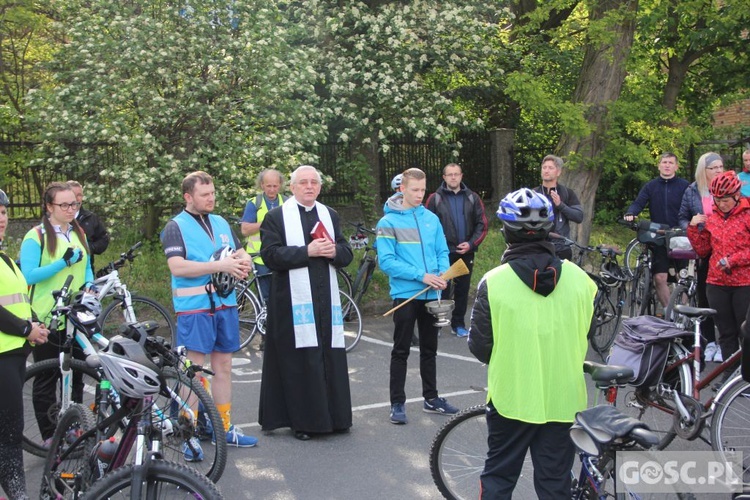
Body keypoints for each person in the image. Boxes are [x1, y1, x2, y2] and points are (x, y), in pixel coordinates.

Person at [468, 188, 596, 499]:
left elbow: (480, 347)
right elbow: (587, 332)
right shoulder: (582, 281)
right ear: (549, 230)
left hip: (512, 398)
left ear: (506, 232)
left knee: (499, 479)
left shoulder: (494, 281)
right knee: (555, 484)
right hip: (564, 400)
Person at [161, 171, 258, 459]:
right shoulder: (174, 226)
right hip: (195, 309)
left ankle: (222, 428)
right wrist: (220, 266)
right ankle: (188, 433)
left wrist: (244, 263)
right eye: (205, 195)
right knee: (193, 371)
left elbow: (241, 253)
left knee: (224, 366)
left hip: (225, 305)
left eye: (213, 192)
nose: (211, 198)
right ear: (188, 197)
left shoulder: (220, 222)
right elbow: (177, 267)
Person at [258, 165, 353, 441]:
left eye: (314, 182)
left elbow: (346, 253)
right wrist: (307, 251)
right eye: (303, 182)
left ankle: (336, 417)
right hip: (291, 302)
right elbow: (270, 256)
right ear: (293, 187)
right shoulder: (276, 217)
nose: (309, 187)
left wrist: (334, 250)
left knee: (328, 356)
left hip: (326, 301)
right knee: (300, 360)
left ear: (320, 188)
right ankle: (304, 422)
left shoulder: (330, 215)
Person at [377, 167, 458, 425]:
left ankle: (431, 398)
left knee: (430, 348)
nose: (419, 195)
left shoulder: (431, 219)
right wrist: (421, 276)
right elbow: (387, 262)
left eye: (423, 190)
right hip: (406, 295)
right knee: (401, 349)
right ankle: (397, 403)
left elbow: (442, 250)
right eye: (414, 190)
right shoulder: (387, 223)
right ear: (402, 189)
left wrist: (443, 275)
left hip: (432, 294)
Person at [19, 181, 94, 447]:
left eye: (74, 203)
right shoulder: (36, 237)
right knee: (48, 376)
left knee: (75, 373)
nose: (71, 209)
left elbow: (86, 267)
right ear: (49, 207)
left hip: (75, 314)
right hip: (47, 315)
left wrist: (89, 288)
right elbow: (27, 274)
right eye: (64, 205)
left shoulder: (78, 233)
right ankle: (49, 435)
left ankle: (73, 425)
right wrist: (62, 263)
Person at [0, 189, 50, 500]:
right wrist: (25, 328)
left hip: (14, 354)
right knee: (9, 435)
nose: (1, 219)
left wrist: (35, 322)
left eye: (4, 213)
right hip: (2, 355)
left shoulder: (5, 258)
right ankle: (18, 495)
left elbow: (19, 298)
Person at [687, 170, 750, 371]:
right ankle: (729, 374)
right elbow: (703, 250)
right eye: (717, 199)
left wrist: (733, 260)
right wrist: (693, 229)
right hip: (716, 282)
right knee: (725, 332)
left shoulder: (748, 215)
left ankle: (745, 377)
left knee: (745, 331)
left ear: (736, 196)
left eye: (725, 200)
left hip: (744, 283)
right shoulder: (712, 217)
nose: (721, 204)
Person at [425, 163, 488, 337]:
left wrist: (471, 244)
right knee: (441, 287)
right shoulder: (434, 198)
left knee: (462, 289)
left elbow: (482, 225)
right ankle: (436, 324)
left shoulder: (472, 198)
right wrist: (437, 248)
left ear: (461, 176)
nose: (453, 177)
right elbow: (427, 227)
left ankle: (458, 324)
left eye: (456, 174)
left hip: (465, 252)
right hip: (442, 253)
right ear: (444, 177)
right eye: (449, 174)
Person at [624, 152, 690, 308]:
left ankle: (683, 312)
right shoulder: (651, 186)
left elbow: (692, 207)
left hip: (679, 235)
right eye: (664, 162)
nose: (667, 165)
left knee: (684, 277)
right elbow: (638, 203)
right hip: (659, 236)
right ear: (659, 165)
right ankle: (669, 313)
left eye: (671, 163)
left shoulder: (685, 186)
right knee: (660, 277)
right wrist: (630, 213)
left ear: (676, 166)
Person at [677, 152, 724, 362]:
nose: (718, 171)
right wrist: (692, 224)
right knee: (706, 296)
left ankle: (726, 342)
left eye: (721, 167)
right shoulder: (692, 190)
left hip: (725, 248)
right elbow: (682, 218)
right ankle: (710, 341)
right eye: (714, 168)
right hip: (705, 249)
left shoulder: (729, 189)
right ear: (703, 170)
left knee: (725, 298)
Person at [240, 169, 286, 302]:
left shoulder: (287, 202)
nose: (272, 189)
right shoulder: (254, 203)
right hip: (260, 257)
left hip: (281, 254)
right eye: (268, 186)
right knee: (265, 296)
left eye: (275, 186)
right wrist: (267, 223)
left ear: (280, 185)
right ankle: (266, 321)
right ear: (262, 185)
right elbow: (245, 229)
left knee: (282, 293)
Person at [532, 155, 584, 260]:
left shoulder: (567, 193)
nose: (546, 171)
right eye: (544, 167)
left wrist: (561, 205)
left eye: (550, 168)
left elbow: (579, 217)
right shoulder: (532, 194)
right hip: (538, 247)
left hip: (561, 248)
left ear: (558, 172)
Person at [67, 180, 110, 273]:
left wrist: (90, 248)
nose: (77, 198)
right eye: (74, 194)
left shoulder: (91, 217)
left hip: (86, 271)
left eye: (80, 195)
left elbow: (104, 239)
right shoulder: (57, 219)